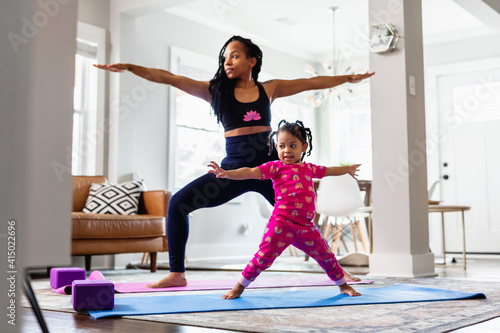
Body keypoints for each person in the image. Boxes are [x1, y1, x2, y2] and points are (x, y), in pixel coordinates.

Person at [94, 35, 374, 288]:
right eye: (225, 56)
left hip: (271, 171)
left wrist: (347, 79)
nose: (228, 61)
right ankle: (177, 274)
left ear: (252, 60)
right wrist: (131, 67)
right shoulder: (214, 91)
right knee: (179, 203)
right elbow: (168, 77)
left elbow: (312, 83)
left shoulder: (269, 89)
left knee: (303, 220)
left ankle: (337, 272)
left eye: (235, 55)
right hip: (234, 170)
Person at [208, 120, 361, 299]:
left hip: (306, 226)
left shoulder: (309, 169)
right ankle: (239, 287)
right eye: (282, 146)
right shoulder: (275, 168)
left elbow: (329, 170)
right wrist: (227, 173)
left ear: (304, 147)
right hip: (281, 224)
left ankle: (343, 285)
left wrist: (347, 169)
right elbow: (250, 172)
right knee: (263, 257)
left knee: (326, 255)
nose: (287, 150)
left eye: (292, 145)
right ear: (276, 147)